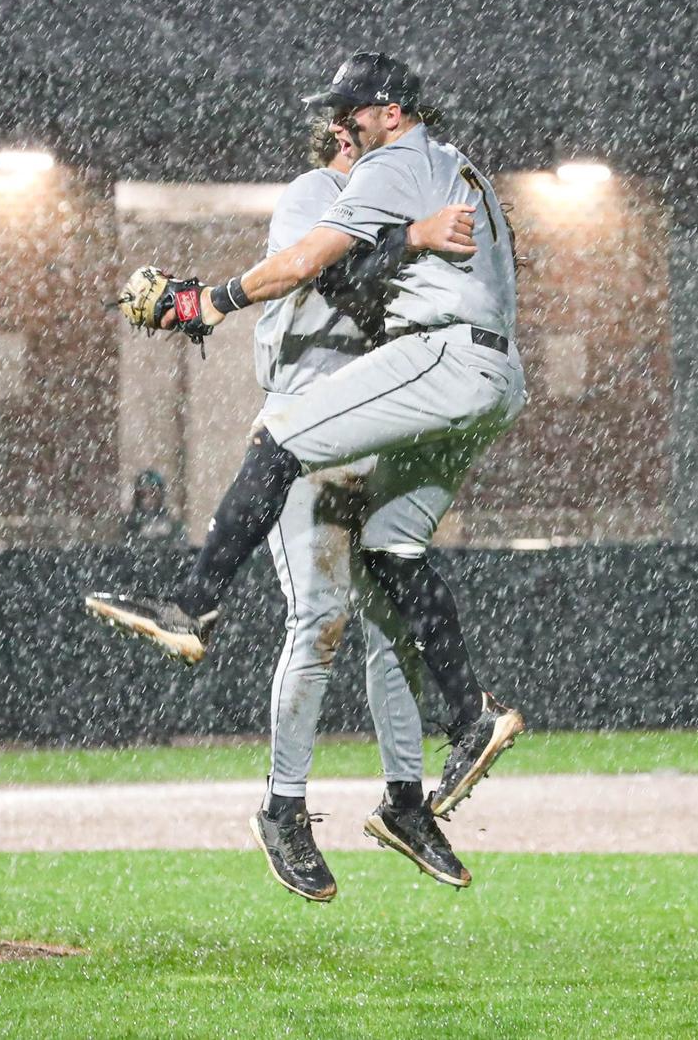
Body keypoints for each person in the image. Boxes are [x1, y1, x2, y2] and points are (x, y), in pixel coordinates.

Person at [87, 51, 527, 834]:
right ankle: (470, 717)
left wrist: (210, 301)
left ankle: (192, 606)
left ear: (390, 111)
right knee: (393, 548)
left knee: (279, 436)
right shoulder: (461, 168)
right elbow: (362, 271)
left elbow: (305, 265)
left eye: (352, 110)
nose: (343, 123)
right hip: (493, 375)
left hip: (444, 355)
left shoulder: (392, 162)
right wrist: (414, 239)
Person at [231, 119, 474, 901]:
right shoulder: (319, 192)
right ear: (346, 140)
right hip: (306, 426)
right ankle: (282, 806)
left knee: (392, 629)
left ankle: (405, 802)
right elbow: (334, 277)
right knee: (319, 619)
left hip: (376, 432)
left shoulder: (395, 208)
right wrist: (418, 236)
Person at [121, 469, 188, 547]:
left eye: (153, 494)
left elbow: (182, 548)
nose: (148, 500)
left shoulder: (172, 522)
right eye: (143, 495)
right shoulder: (131, 522)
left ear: (160, 495)